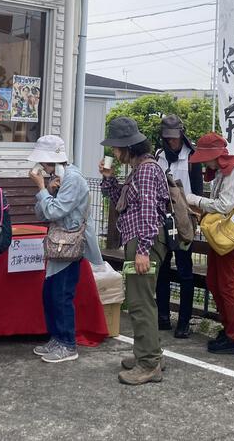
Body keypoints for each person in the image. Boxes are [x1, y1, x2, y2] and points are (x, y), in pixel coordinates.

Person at [98, 116, 169, 386]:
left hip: (144, 241)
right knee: (143, 299)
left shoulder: (147, 170)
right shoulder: (139, 169)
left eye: (116, 147)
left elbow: (149, 210)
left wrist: (143, 249)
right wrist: (109, 179)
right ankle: (151, 354)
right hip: (141, 240)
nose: (114, 152)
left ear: (128, 147)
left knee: (140, 302)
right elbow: (123, 204)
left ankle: (149, 362)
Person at [29, 135, 103, 364]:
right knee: (51, 293)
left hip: (69, 242)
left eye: (43, 160)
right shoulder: (60, 178)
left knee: (61, 294)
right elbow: (42, 212)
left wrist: (42, 188)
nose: (41, 166)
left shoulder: (73, 178)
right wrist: (47, 191)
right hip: (59, 242)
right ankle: (57, 338)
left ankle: (67, 343)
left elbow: (52, 213)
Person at [185, 132, 234, 355]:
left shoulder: (232, 173)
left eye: (205, 156)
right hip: (222, 235)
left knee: (226, 285)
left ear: (214, 155)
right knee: (214, 281)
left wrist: (194, 199)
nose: (203, 161)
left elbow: (224, 205)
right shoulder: (225, 171)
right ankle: (230, 329)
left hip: (229, 238)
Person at [154, 114, 204, 338]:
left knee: (185, 271)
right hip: (163, 219)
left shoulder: (192, 157)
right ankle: (163, 316)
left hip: (184, 220)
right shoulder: (158, 156)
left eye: (175, 138)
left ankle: (184, 321)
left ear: (181, 135)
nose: (172, 142)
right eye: (168, 139)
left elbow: (198, 191)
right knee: (162, 268)